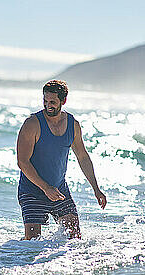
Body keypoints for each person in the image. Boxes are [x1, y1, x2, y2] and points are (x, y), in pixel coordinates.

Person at [16, 80, 107, 239]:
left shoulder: (73, 125)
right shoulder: (32, 124)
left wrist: (96, 189)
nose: (47, 105)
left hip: (59, 190)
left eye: (52, 102)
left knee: (74, 238)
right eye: (45, 101)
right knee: (31, 244)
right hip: (32, 191)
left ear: (63, 101)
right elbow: (22, 162)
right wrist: (45, 188)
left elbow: (83, 157)